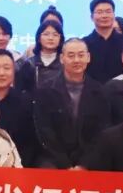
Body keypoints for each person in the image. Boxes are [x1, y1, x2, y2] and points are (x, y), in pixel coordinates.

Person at [33, 37, 112, 172]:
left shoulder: (100, 91)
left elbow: (102, 131)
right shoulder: (45, 90)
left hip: (89, 160)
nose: (76, 60)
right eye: (71, 55)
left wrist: (84, 164)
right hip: (54, 158)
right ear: (61, 58)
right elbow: (44, 131)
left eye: (81, 55)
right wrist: (65, 165)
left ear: (88, 57)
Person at [0, 48, 37, 168]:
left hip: (18, 167)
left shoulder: (26, 102)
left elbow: (30, 143)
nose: (1, 73)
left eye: (7, 68)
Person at [83, 0, 123, 83]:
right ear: (92, 17)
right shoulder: (84, 44)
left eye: (108, 11)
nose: (104, 16)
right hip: (91, 90)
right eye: (99, 12)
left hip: (121, 89)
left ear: (114, 15)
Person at [16, 20, 63, 93]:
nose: (50, 38)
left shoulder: (65, 63)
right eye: (46, 34)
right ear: (39, 38)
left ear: (60, 39)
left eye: (55, 35)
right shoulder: (29, 64)